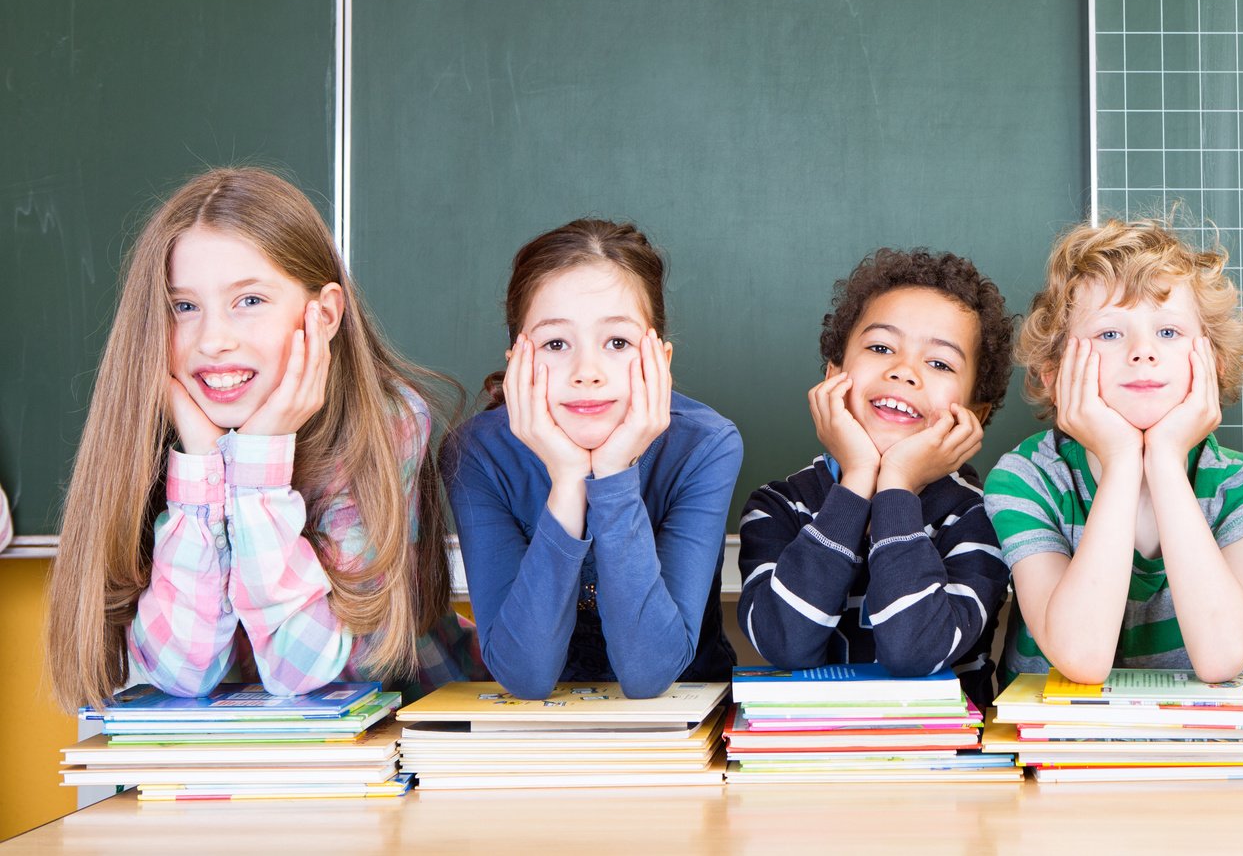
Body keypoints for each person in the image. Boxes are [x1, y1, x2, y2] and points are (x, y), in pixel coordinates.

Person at [47, 167, 475, 711]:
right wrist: (201, 465)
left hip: (396, 743)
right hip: (225, 765)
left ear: (322, 316)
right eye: (184, 307)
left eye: (249, 301)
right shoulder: (154, 428)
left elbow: (315, 675)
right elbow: (181, 672)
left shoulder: (383, 421)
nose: (214, 340)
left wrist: (257, 470)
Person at [446, 218, 739, 700]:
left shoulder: (704, 446)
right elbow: (525, 677)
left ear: (660, 362)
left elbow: (649, 675)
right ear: (518, 361)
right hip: (535, 737)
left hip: (682, 725)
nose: (587, 373)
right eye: (556, 344)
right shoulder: (477, 454)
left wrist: (614, 474)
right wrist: (567, 480)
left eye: (618, 343)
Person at [985, 216, 1243, 687]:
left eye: (1168, 332)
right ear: (1053, 373)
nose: (1143, 351)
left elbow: (1222, 658)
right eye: (1109, 334)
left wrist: (1163, 460)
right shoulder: (1025, 478)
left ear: (1214, 362)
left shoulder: (1241, 486)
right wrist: (1124, 460)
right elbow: (1081, 658)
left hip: (1191, 752)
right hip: (1057, 751)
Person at [737, 250, 1014, 707]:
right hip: (803, 758)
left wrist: (897, 484)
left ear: (974, 416)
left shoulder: (982, 517)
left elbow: (915, 650)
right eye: (881, 347)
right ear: (834, 377)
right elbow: (785, 643)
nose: (903, 371)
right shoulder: (777, 507)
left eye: (940, 363)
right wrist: (859, 479)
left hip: (950, 767)